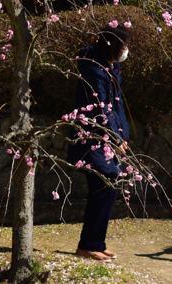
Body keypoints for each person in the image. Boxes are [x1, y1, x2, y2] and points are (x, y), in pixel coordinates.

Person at [67, 25, 131, 261]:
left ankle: (96, 242)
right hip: (91, 138)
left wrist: (122, 135)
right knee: (104, 186)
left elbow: (118, 104)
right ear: (112, 45)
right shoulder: (93, 70)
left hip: (106, 137)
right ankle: (88, 245)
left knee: (110, 186)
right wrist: (114, 139)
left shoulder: (112, 68)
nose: (126, 49)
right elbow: (100, 110)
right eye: (123, 44)